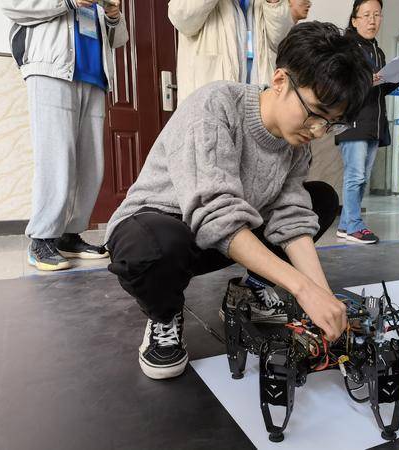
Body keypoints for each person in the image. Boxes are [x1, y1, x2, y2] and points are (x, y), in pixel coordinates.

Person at [103, 22, 373, 380]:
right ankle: (164, 314)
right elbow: (214, 213)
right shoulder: (215, 105)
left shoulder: (296, 142)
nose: (319, 130)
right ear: (280, 81)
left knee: (320, 199)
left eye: (332, 123)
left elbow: (291, 216)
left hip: (221, 236)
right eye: (315, 113)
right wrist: (302, 288)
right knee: (156, 245)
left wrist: (324, 296)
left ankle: (251, 290)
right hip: (164, 227)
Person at [1, 0, 128, 271]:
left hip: (94, 76)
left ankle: (70, 235)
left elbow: (119, 39)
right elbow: (12, 7)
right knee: (55, 156)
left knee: (90, 164)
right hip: (52, 68)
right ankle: (42, 238)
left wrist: (113, 15)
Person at [334, 0, 399, 244]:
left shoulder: (377, 51)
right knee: (355, 176)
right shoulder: (346, 48)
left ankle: (346, 225)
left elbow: (382, 88)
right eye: (366, 15)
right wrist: (369, 79)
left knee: (362, 178)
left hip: (373, 122)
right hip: (353, 120)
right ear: (354, 20)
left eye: (377, 15)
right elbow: (340, 84)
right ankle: (354, 226)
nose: (372, 20)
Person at [168, 0, 293, 104]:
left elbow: (280, 41)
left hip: (258, 95)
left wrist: (274, 3)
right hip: (210, 100)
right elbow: (181, 18)